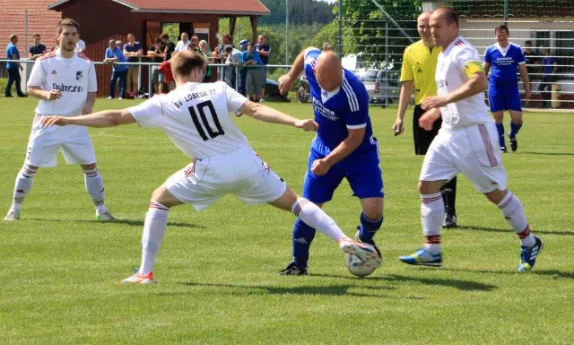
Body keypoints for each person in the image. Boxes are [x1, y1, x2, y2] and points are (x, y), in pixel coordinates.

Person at [40, 50, 380, 284]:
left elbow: (114, 117)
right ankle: (343, 240)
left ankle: (144, 272)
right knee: (295, 202)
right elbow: (257, 110)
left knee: (159, 199)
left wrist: (71, 118)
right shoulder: (218, 88)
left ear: (173, 74)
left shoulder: (163, 102)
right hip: (247, 163)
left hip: (209, 170)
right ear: (200, 71)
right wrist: (294, 122)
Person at [398, 8, 543, 272]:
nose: (431, 31)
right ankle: (432, 250)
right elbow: (453, 93)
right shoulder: (442, 54)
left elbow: (479, 82)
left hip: (475, 133)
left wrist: (441, 101)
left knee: (495, 193)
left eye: (437, 26)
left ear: (454, 27)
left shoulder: (462, 51)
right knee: (426, 186)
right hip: (449, 133)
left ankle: (530, 241)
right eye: (428, 27)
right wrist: (435, 111)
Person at [277, 49, 385, 276]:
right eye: (324, 82)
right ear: (314, 72)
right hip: (323, 146)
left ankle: (364, 239)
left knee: (374, 210)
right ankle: (298, 264)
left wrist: (327, 162)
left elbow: (354, 138)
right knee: (310, 207)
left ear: (341, 72)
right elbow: (306, 50)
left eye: (335, 81)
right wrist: (290, 76)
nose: (329, 86)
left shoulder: (355, 92)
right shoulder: (312, 63)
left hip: (359, 153)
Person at [4, 18, 114, 222]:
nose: (70, 38)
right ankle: (15, 209)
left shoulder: (87, 64)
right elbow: (30, 88)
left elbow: (91, 93)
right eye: (66, 34)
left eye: (74, 34)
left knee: (90, 166)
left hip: (75, 124)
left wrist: (88, 108)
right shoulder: (44, 61)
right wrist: (46, 95)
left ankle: (101, 210)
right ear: (58, 36)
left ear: (78, 38)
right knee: (30, 167)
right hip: (47, 123)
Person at [393, 11, 459, 228]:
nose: (424, 29)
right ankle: (437, 210)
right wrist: (399, 117)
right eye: (420, 25)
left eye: (427, 25)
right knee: (431, 162)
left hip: (447, 110)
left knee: (448, 160)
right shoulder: (410, 52)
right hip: (422, 112)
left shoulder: (447, 49)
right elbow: (407, 86)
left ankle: (450, 212)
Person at [483, 25, 531, 153]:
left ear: (508, 34)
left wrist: (527, 88)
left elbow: (523, 70)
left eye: (503, 34)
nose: (501, 37)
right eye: (498, 34)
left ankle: (512, 134)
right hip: (495, 88)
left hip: (511, 89)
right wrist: (479, 86)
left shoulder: (516, 49)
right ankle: (501, 145)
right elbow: (484, 70)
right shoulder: (490, 50)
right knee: (497, 117)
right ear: (495, 36)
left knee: (517, 118)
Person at [123, 33, 143, 98]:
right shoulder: (126, 45)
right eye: (130, 38)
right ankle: (128, 94)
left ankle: (135, 94)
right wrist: (132, 53)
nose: (131, 39)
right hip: (127, 65)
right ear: (128, 39)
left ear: (134, 38)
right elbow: (124, 53)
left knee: (135, 81)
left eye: (132, 37)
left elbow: (140, 52)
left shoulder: (138, 44)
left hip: (135, 65)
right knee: (127, 81)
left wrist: (135, 53)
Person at [255, 35, 272, 101]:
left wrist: (259, 52)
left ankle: (261, 97)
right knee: (254, 82)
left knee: (262, 82)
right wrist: (260, 52)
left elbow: (267, 53)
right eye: (259, 39)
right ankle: (255, 97)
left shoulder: (268, 47)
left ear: (265, 40)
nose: (260, 40)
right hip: (254, 66)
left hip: (263, 66)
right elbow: (252, 52)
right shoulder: (255, 46)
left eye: (262, 39)